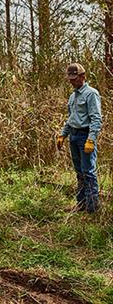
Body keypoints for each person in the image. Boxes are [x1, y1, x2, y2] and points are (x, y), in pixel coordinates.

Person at [57, 63, 102, 214]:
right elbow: (71, 118)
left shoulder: (91, 94)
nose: (71, 81)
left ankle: (92, 208)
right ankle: (81, 204)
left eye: (74, 78)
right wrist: (63, 134)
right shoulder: (72, 96)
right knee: (79, 172)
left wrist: (91, 139)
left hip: (85, 136)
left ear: (83, 76)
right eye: (70, 78)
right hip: (74, 136)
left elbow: (96, 119)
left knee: (88, 171)